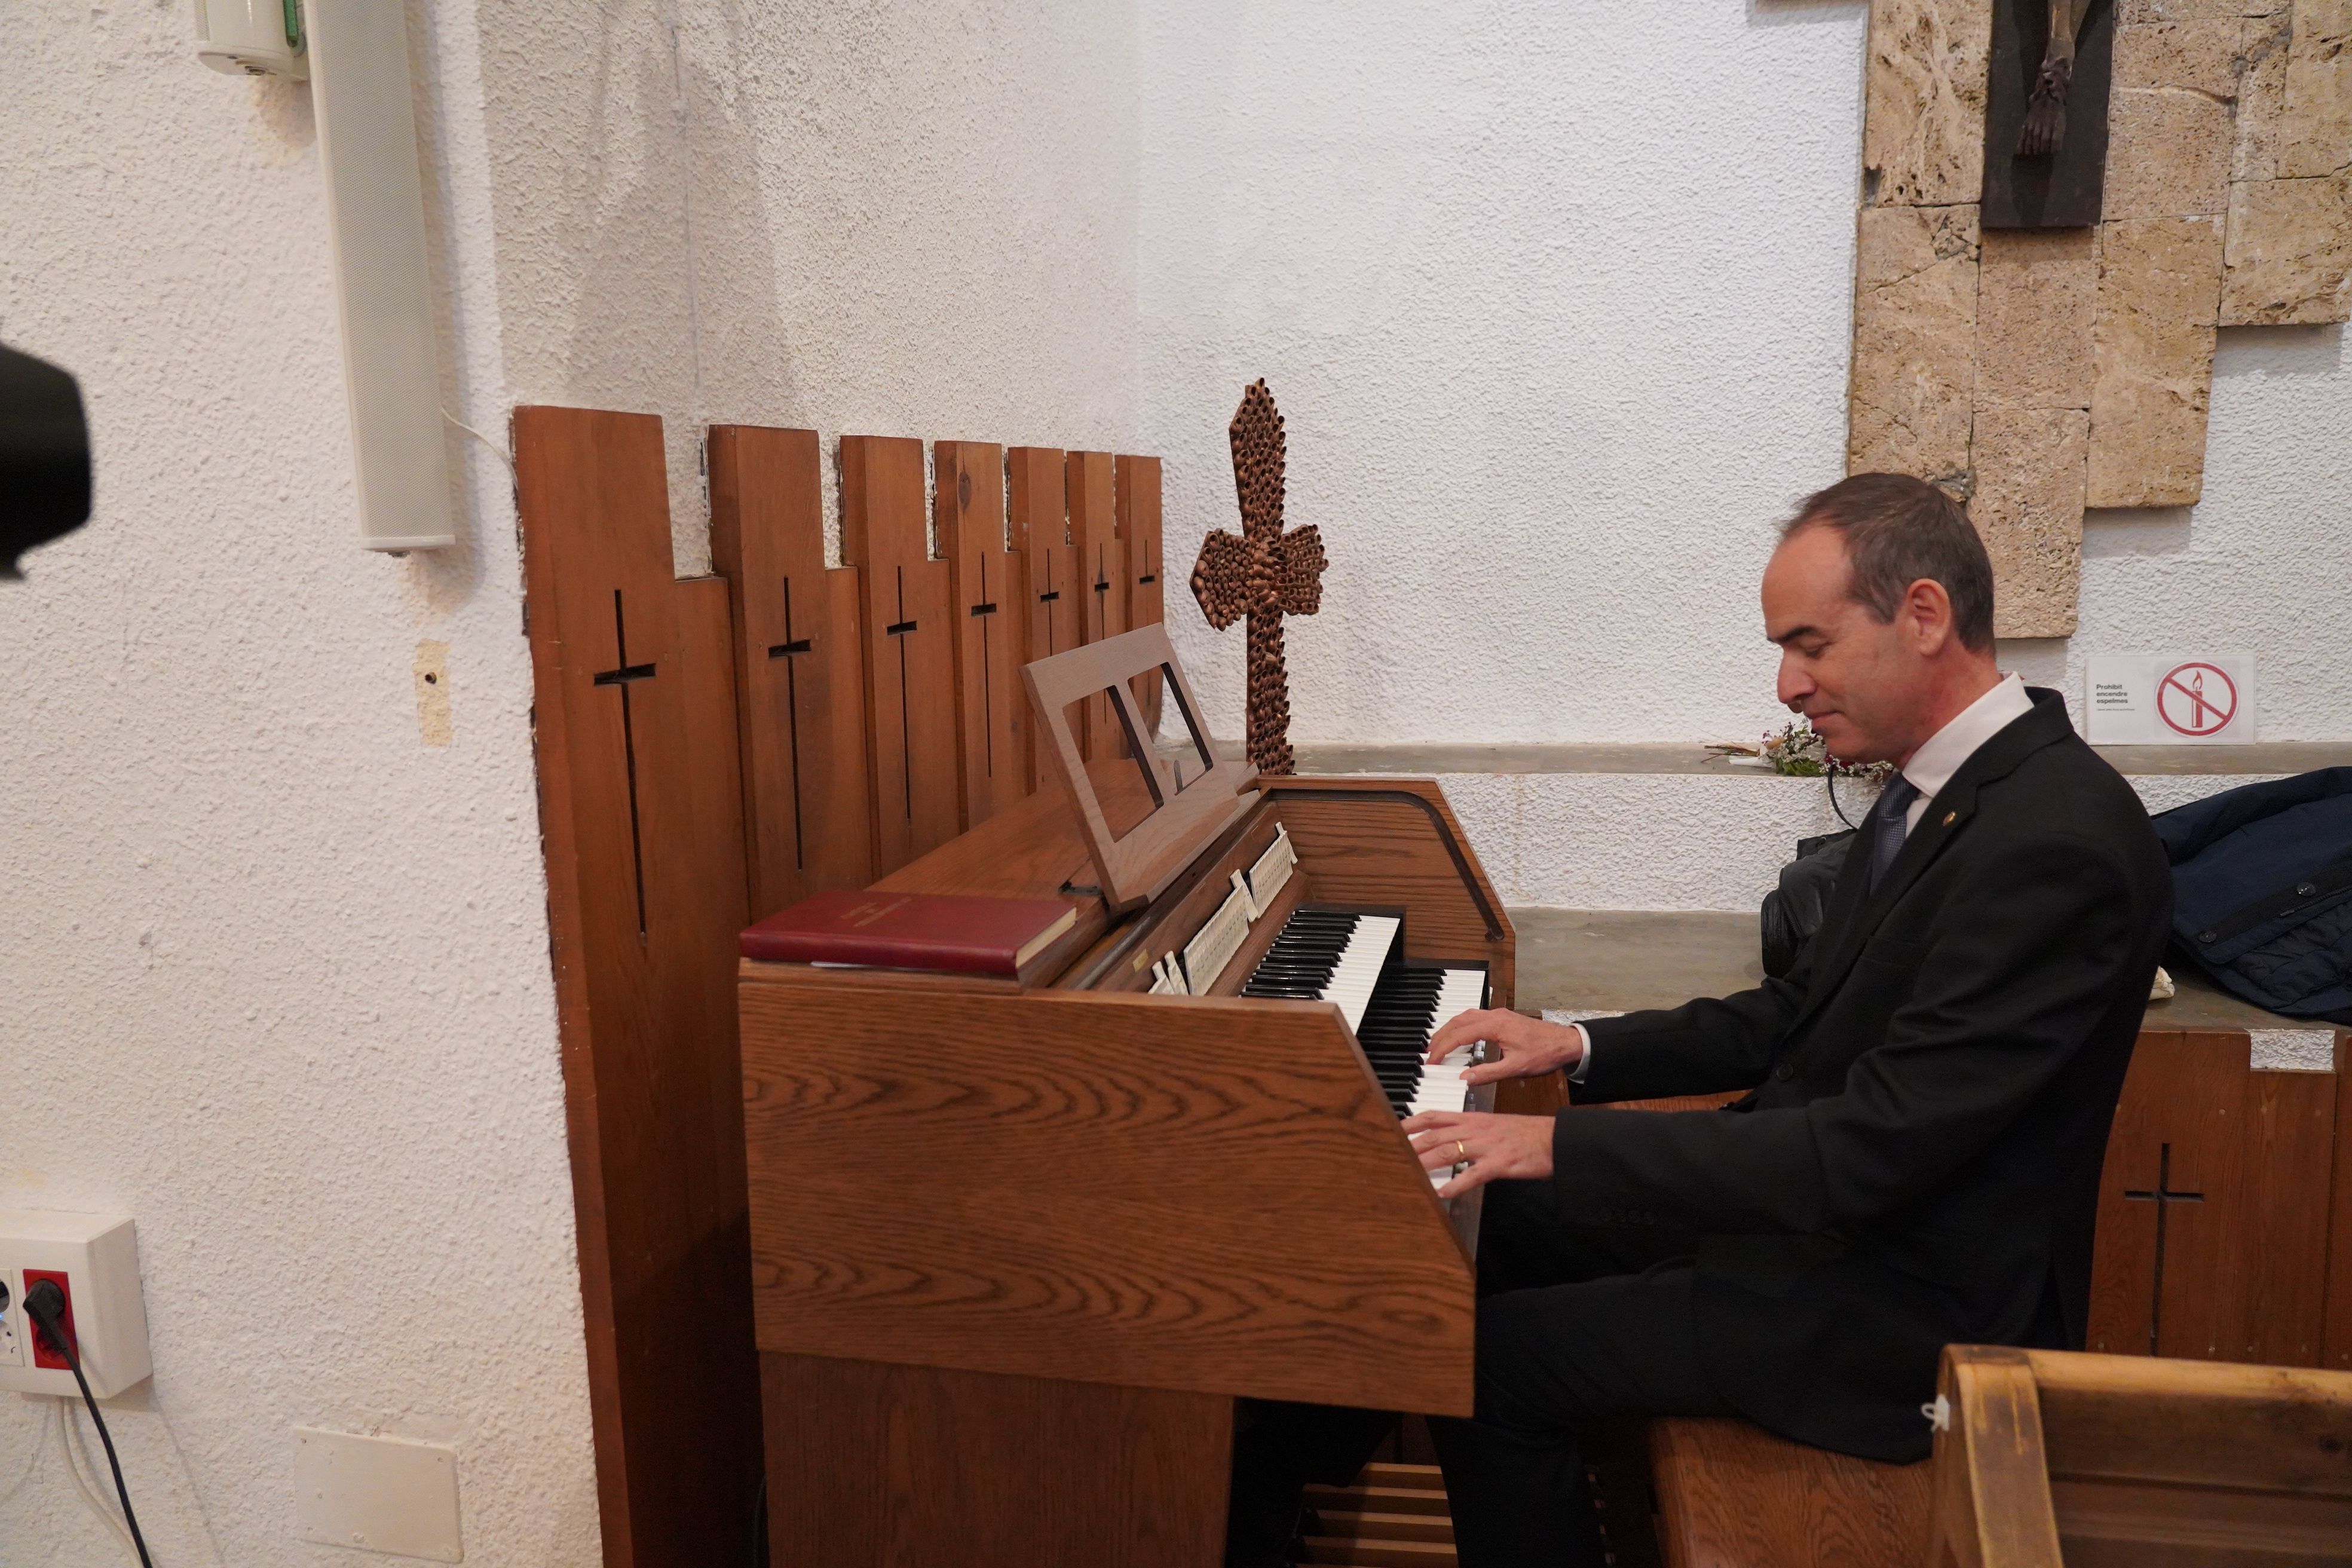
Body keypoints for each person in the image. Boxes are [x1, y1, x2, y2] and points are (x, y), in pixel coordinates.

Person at [1224, 473, 2172, 1568]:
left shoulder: (2055, 841)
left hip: (1902, 1309)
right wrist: (1577, 1047)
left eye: (1809, 644)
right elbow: (1793, 1013)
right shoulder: (1938, 789)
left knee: (1488, 1362)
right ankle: (1255, 1492)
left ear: (1922, 615)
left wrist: (1549, 1140)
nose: (1786, 684)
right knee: (1453, 1236)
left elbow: (1870, 1148)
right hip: (1831, 1226)